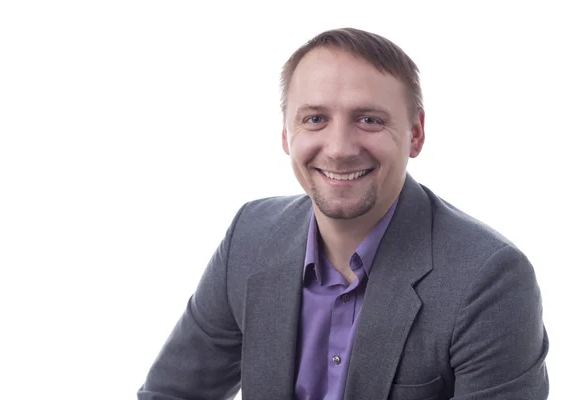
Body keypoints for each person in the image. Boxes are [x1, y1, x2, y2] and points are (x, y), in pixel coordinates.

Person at [137, 27, 549, 399]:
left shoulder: (488, 279)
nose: (338, 148)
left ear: (416, 134)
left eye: (369, 120)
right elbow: (170, 393)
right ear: (286, 133)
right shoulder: (250, 237)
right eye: (315, 119)